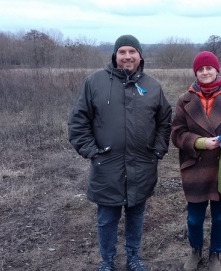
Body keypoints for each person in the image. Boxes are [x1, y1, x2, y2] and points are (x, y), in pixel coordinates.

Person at [68, 34, 172, 271]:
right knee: (107, 219)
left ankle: (133, 257)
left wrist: (157, 151)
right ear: (115, 55)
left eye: (132, 52)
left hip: (142, 166)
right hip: (107, 166)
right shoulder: (94, 82)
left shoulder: (152, 86)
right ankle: (107, 261)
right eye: (122, 52)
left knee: (136, 216)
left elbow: (165, 122)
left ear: (140, 56)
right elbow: (78, 122)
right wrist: (92, 152)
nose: (127, 56)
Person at [171, 51, 221, 271]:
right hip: (194, 166)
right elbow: (176, 134)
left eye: (209, 68)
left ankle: (215, 254)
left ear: (217, 70)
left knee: (220, 218)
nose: (205, 72)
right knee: (194, 219)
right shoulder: (184, 100)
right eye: (200, 69)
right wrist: (201, 142)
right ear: (196, 72)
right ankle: (196, 250)